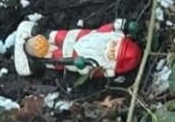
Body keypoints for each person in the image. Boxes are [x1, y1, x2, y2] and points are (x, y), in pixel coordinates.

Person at [11, 16, 143, 78]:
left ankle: (36, 61)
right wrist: (123, 25)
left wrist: (82, 66)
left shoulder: (101, 64)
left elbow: (92, 73)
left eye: (113, 53)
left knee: (53, 56)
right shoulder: (106, 35)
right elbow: (110, 27)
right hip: (74, 36)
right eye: (115, 45)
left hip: (70, 56)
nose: (109, 48)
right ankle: (44, 34)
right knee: (57, 36)